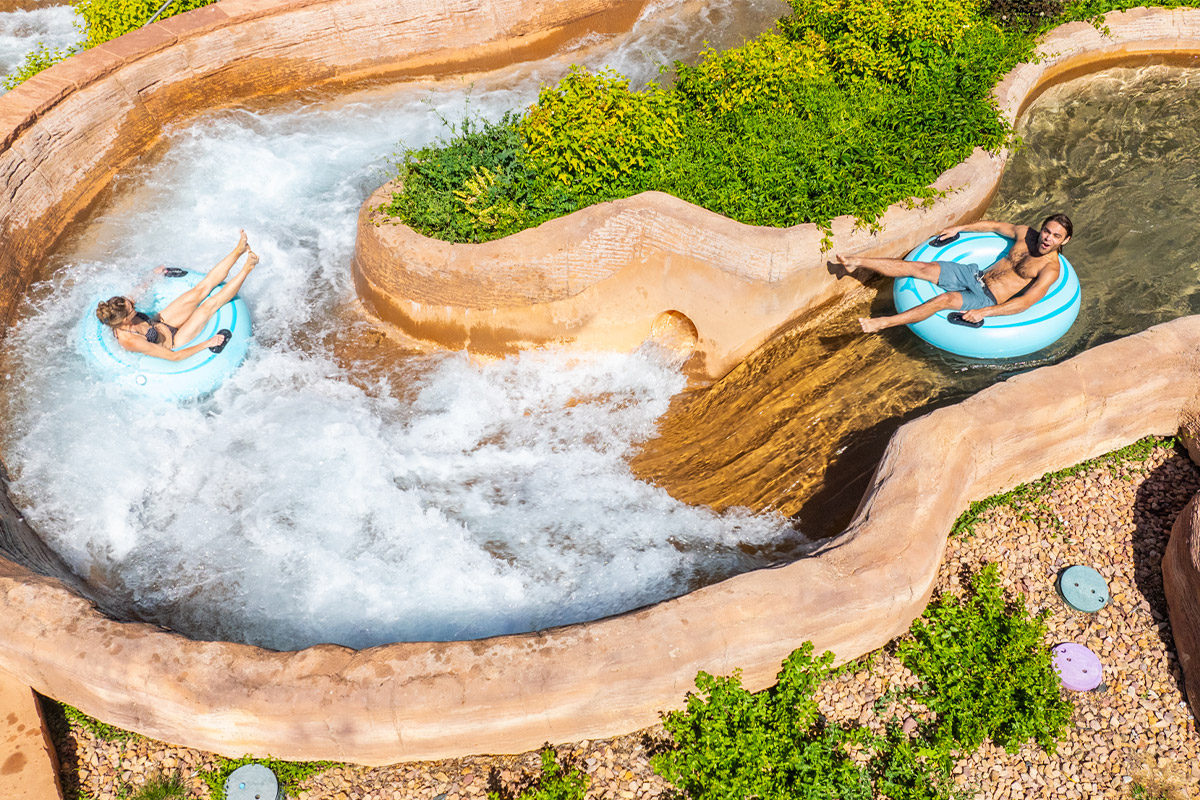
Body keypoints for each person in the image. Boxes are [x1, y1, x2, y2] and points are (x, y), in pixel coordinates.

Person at [835, 214, 1073, 333]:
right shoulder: (1026, 235)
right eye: (1047, 231)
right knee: (921, 267)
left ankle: (883, 323)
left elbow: (1025, 303)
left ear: (1065, 240)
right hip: (975, 274)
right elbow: (992, 226)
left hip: (986, 297)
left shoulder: (1050, 268)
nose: (1047, 238)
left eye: (1056, 236)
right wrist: (959, 228)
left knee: (944, 300)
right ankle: (857, 262)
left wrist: (984, 312)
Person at [95, 230, 258, 361]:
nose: (133, 304)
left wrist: (153, 277)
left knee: (200, 289)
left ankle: (238, 250)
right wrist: (207, 343)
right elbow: (174, 357)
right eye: (132, 308)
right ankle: (247, 268)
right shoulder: (130, 340)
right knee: (209, 306)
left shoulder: (121, 306)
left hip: (161, 322)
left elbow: (138, 291)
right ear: (124, 320)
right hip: (175, 342)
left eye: (130, 303)